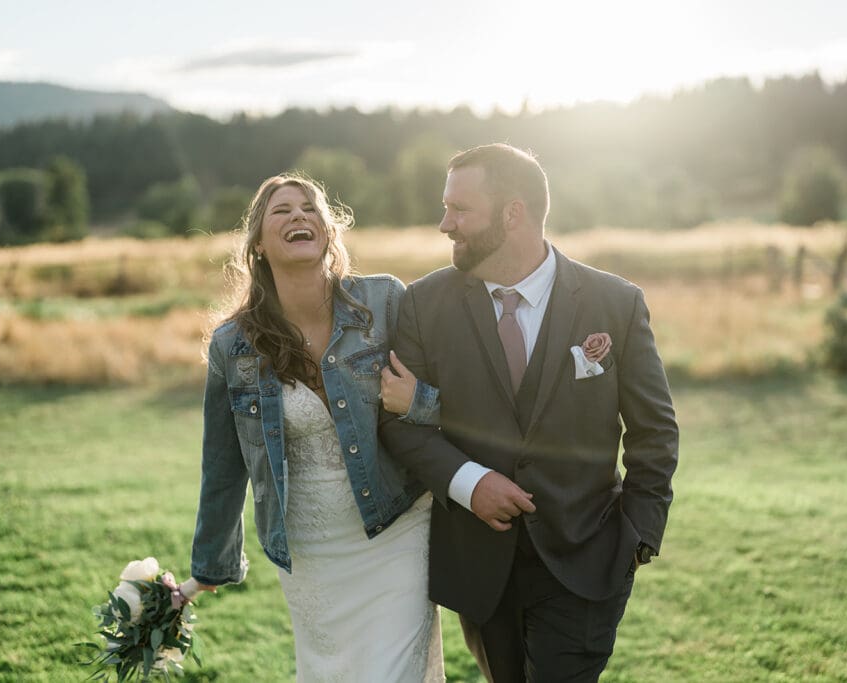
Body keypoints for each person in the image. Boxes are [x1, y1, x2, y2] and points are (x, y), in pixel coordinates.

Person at [378, 143, 679, 682]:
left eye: (460, 209)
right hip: (479, 567)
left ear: (513, 213)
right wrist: (471, 484)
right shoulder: (424, 305)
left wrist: (638, 535)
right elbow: (400, 422)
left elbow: (654, 432)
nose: (445, 224)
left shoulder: (616, 303)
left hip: (587, 557)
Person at [188, 172, 445, 682]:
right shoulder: (232, 345)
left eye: (309, 208)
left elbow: (445, 397)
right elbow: (223, 463)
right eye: (280, 211)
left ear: (329, 232)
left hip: (399, 527)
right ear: (258, 244)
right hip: (310, 549)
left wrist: (421, 404)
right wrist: (209, 567)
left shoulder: (384, 302)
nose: (298, 216)